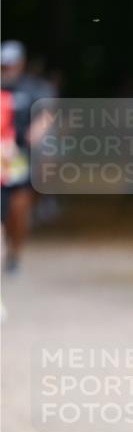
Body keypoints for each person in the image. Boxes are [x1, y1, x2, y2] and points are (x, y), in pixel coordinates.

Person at [0, 40, 56, 271]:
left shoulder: (34, 88)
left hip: (20, 158)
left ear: (21, 64)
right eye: (4, 65)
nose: (8, 69)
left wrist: (39, 128)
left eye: (11, 65)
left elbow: (47, 113)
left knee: (19, 209)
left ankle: (14, 253)